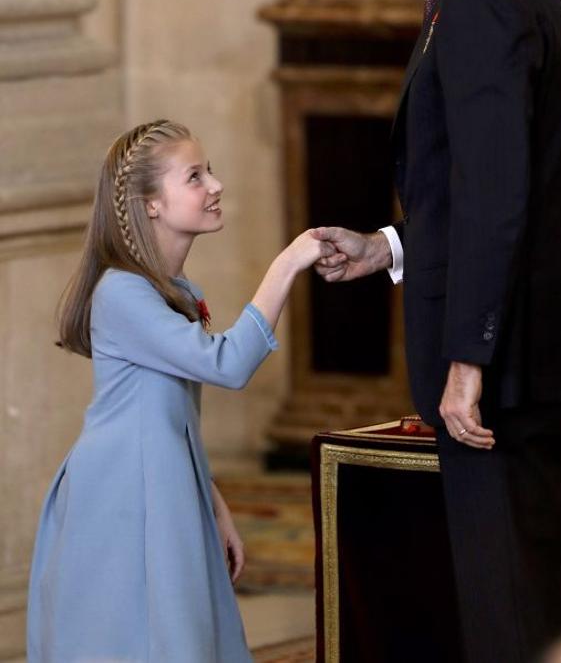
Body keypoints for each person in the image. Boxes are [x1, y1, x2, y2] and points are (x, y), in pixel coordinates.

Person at [314, 0, 561, 663]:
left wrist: (466, 362)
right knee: (521, 608)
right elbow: (480, 188)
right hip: (522, 355)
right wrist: (389, 246)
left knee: (506, 620)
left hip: (501, 370)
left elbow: (497, 195)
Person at [27, 119, 333, 663]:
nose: (215, 186)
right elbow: (230, 364)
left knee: (184, 639)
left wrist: (213, 505)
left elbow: (176, 419)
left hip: (163, 482)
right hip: (123, 495)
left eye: (209, 171)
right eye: (195, 176)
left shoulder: (173, 290)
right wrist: (288, 263)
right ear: (150, 204)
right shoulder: (122, 293)